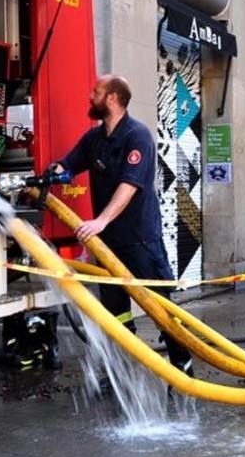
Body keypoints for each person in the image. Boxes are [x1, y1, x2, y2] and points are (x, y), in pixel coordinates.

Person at [50, 75, 193, 379]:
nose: (91, 96)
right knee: (116, 311)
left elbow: (129, 186)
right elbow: (69, 164)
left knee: (159, 305)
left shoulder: (137, 136)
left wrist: (100, 220)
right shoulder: (94, 139)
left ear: (112, 98)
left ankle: (183, 365)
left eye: (96, 92)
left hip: (139, 239)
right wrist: (50, 174)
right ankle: (122, 373)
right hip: (108, 244)